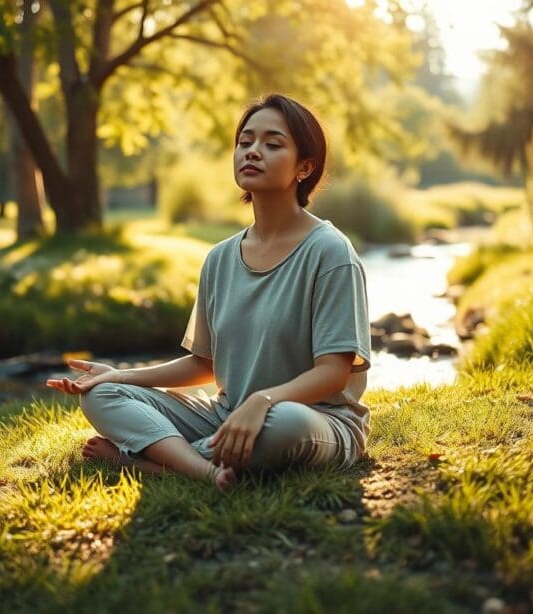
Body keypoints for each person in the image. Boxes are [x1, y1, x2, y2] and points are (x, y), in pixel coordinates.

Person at [46, 93, 371, 490]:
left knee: (282, 425)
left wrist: (262, 401)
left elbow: (334, 374)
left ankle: (153, 462)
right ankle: (201, 469)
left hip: (313, 421)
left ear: (305, 166)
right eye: (245, 141)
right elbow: (204, 364)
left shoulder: (330, 251)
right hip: (227, 415)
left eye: (272, 144)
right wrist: (123, 376)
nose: (252, 152)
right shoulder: (219, 258)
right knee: (103, 394)